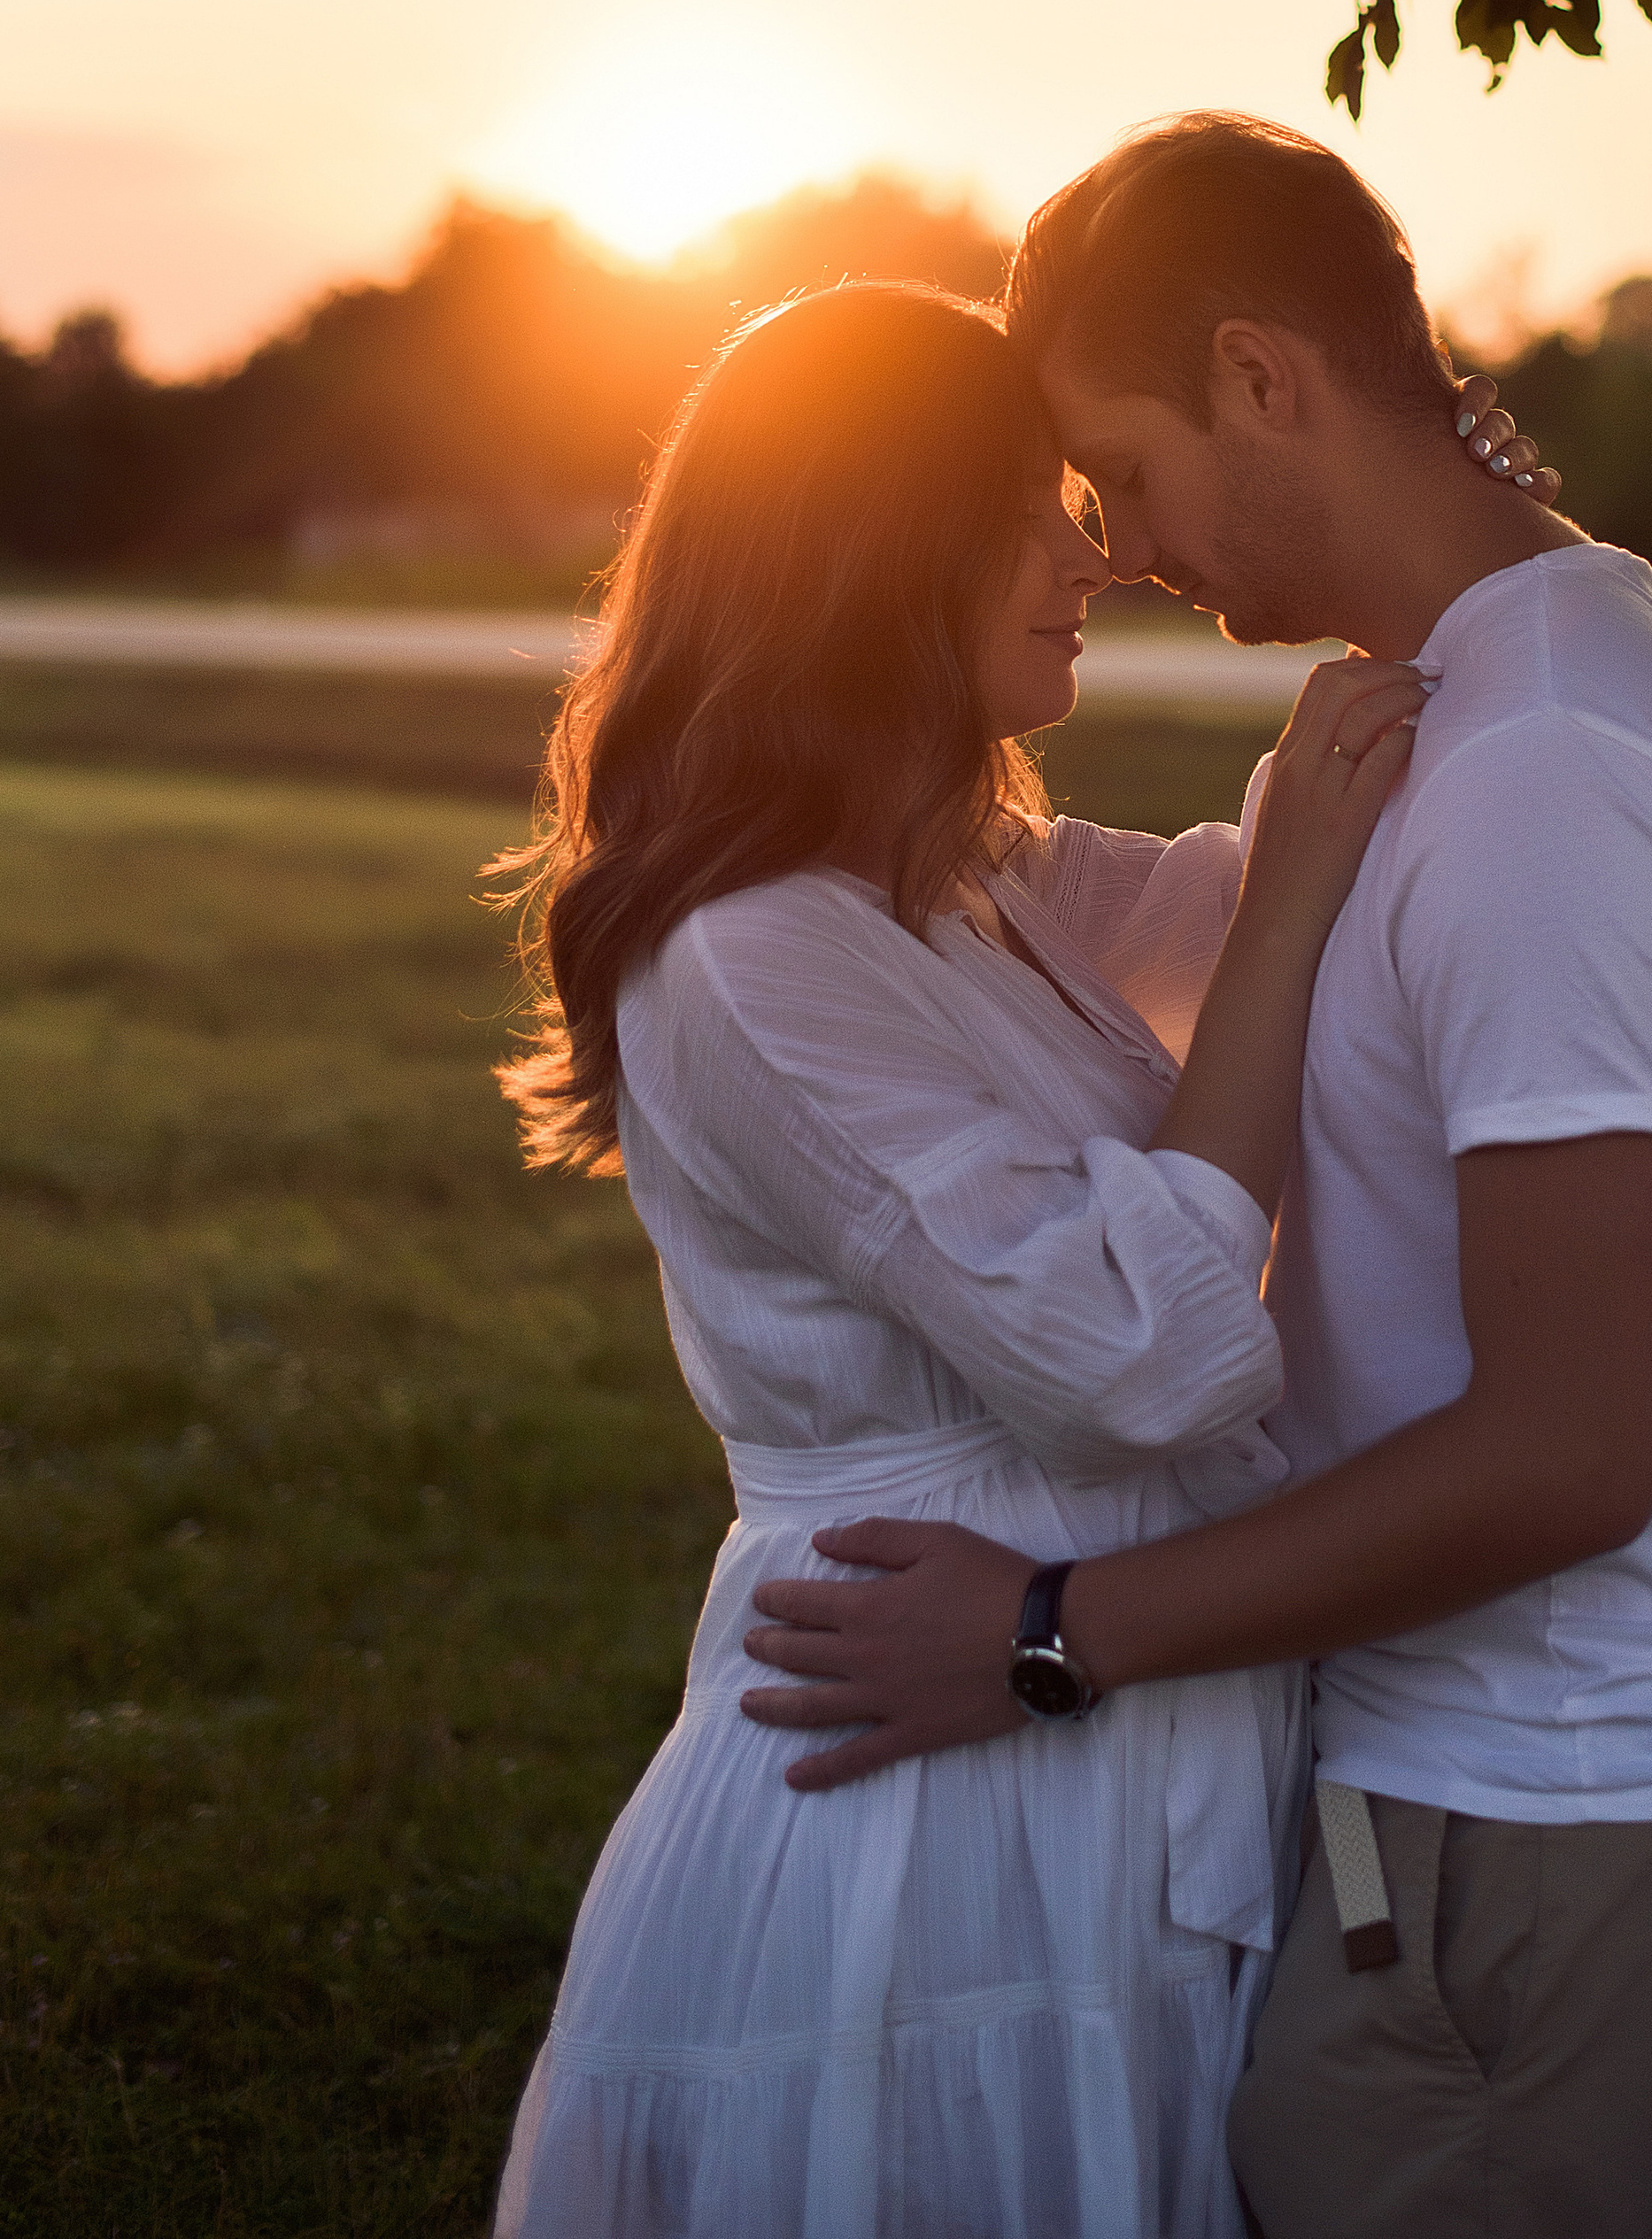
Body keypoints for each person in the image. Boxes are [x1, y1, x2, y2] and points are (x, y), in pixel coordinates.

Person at [740, 117, 1652, 2239]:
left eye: (1122, 473)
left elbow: (1567, 1451)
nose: (1120, 543)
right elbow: (1089, 914)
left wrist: (1050, 1634)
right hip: (1459, 1817)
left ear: (1258, 376)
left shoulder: (1540, 777)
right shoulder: (1484, 688)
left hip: (1546, 1838)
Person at [486, 274, 1537, 2239]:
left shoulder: (977, 890)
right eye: (1028, 506)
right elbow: (1138, 1347)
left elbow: (1265, 898)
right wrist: (1299, 875)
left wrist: (1498, 630)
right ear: (875, 548)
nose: (1089, 554)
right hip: (918, 1807)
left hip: (1081, 1738)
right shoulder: (748, 953)